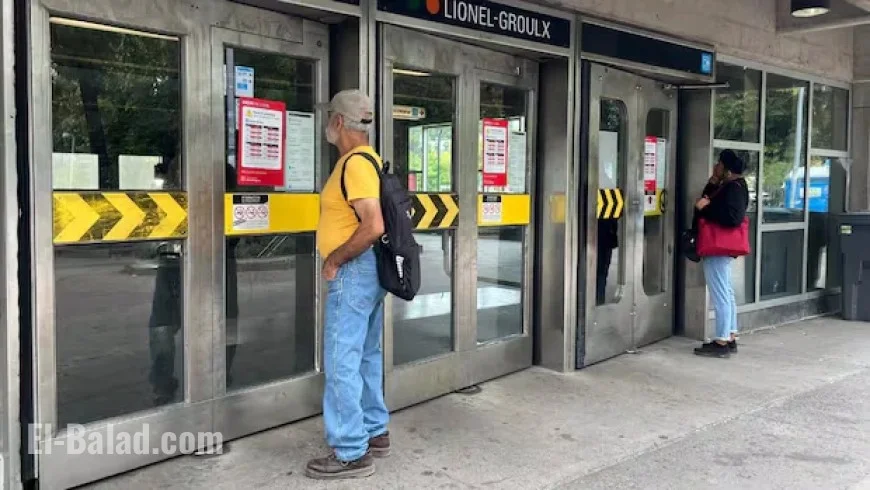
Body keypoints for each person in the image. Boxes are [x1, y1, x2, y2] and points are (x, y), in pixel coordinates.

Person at [306, 89, 389, 480]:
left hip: (353, 271)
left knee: (342, 358)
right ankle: (375, 431)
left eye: (329, 119)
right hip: (370, 272)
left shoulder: (353, 164)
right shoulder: (370, 160)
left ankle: (351, 451)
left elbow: (373, 224)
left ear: (338, 122)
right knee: (366, 354)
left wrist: (335, 259)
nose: (328, 125)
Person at [693, 149, 749, 358]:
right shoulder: (732, 185)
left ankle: (721, 340)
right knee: (726, 291)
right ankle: (730, 335)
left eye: (719, 164)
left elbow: (732, 217)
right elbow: (709, 196)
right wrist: (713, 182)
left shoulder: (733, 188)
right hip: (720, 247)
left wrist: (705, 209)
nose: (715, 166)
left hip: (718, 246)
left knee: (720, 294)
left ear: (726, 168)